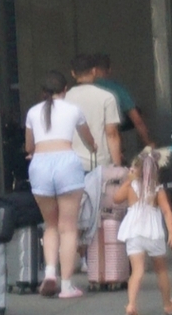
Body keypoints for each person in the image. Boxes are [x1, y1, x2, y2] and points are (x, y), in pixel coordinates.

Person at [23, 71, 97, 299]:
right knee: (68, 227)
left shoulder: (33, 112)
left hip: (40, 165)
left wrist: (33, 153)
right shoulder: (73, 110)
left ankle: (50, 273)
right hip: (67, 163)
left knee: (51, 225)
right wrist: (93, 148)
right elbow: (88, 139)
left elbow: (29, 146)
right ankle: (66, 286)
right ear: (65, 90)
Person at [65, 54, 122, 287]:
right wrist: (117, 166)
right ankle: (93, 258)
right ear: (96, 71)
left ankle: (75, 256)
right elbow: (111, 133)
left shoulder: (65, 98)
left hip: (70, 162)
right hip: (98, 162)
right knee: (99, 211)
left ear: (72, 73)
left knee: (73, 211)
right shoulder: (107, 97)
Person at [115, 146, 172, 315]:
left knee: (137, 271)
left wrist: (128, 181)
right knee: (161, 270)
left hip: (134, 231)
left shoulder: (130, 187)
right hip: (153, 232)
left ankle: (131, 305)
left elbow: (116, 198)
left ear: (137, 170)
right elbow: (167, 211)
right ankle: (167, 304)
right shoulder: (157, 189)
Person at [93, 53, 153, 159]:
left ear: (93, 70)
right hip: (112, 145)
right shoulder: (117, 89)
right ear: (109, 70)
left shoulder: (77, 91)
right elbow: (137, 120)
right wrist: (148, 143)